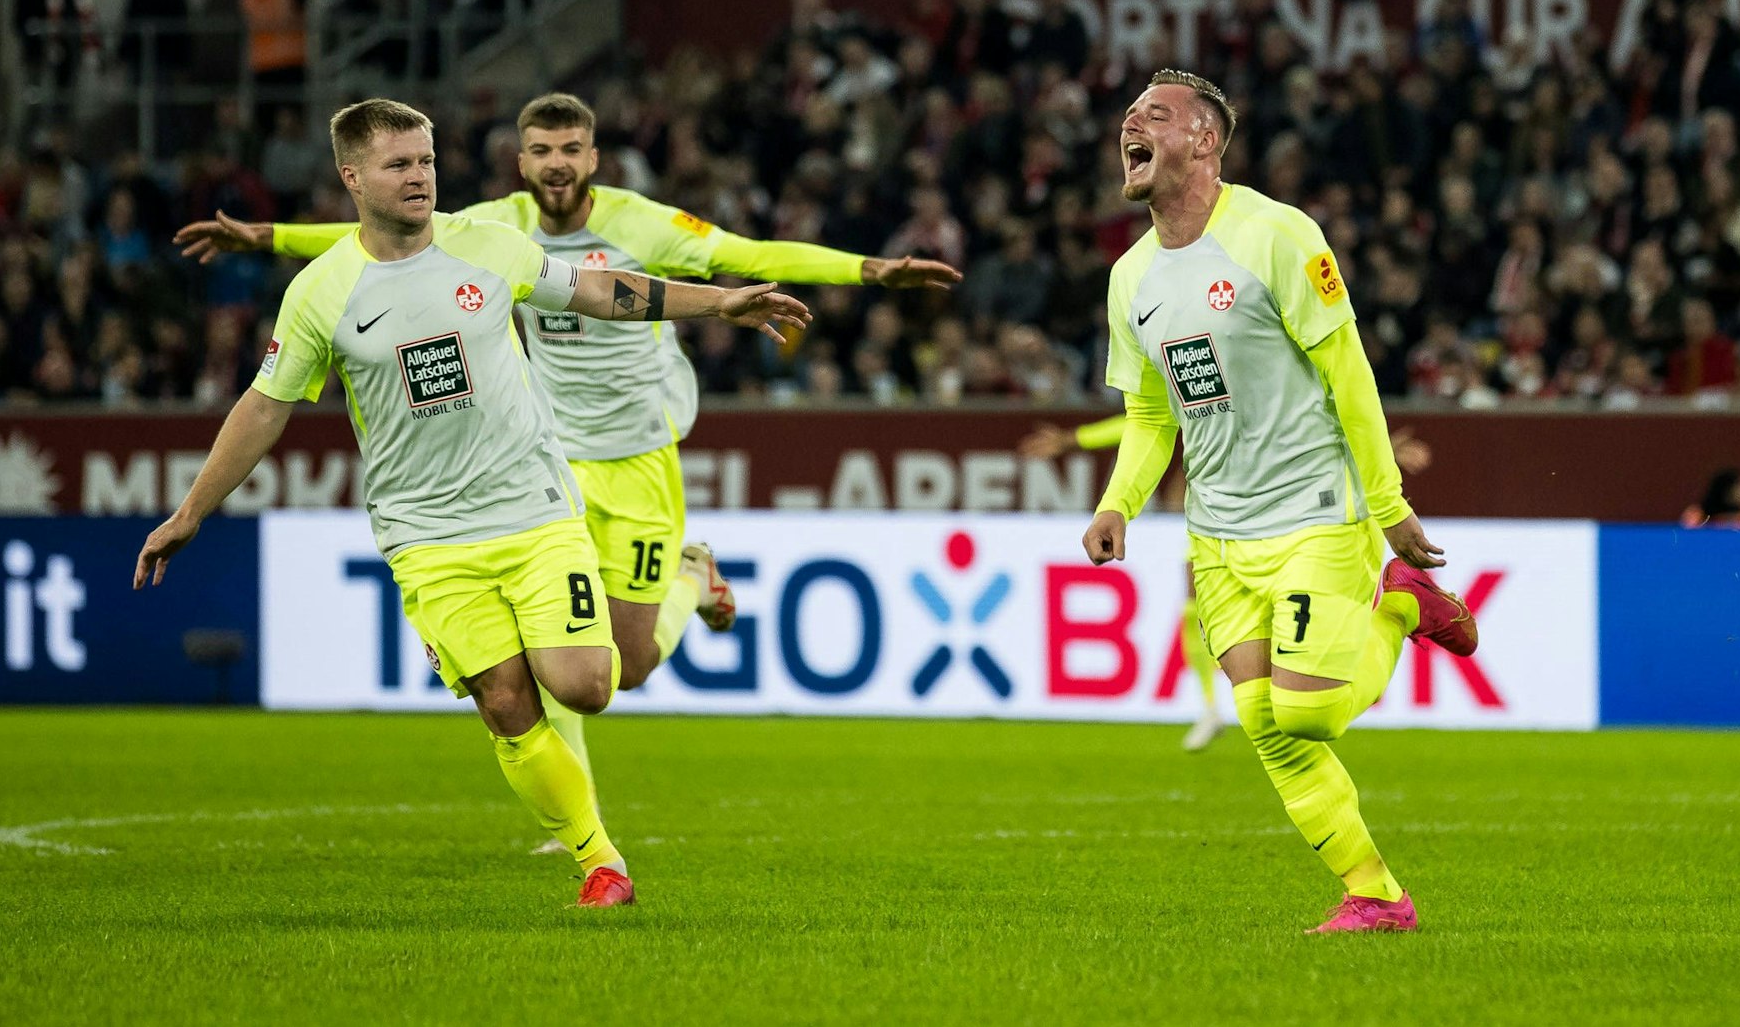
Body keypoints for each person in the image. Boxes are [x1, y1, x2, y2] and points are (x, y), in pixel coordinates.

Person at [174, 92, 958, 850]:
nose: (556, 164)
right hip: (549, 461)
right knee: (561, 666)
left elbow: (749, 256)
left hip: (641, 456)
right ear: (521, 161)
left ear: (594, 157)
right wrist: (269, 236)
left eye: (570, 150)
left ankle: (694, 575)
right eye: (541, 151)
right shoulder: (491, 226)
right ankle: (580, 824)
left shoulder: (640, 224)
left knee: (629, 664)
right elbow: (374, 241)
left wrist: (866, 270)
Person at [1080, 70, 1476, 935]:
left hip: (1313, 508)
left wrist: (1388, 504)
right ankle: (1376, 894)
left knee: (1308, 708)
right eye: (1129, 115)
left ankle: (1400, 608)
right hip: (1217, 534)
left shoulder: (1276, 235)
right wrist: (1118, 502)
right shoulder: (1130, 278)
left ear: (1205, 142)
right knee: (1268, 725)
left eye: (1157, 114)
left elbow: (1349, 372)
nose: (1131, 125)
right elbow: (1150, 412)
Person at [1023, 416, 1434, 753]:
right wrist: (1073, 439)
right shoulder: (1210, 360)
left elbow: (1329, 403)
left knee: (1302, 690)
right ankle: (1211, 708)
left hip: (1287, 512)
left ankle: (1384, 625)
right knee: (1197, 604)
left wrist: (1377, 452)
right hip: (1222, 511)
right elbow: (1150, 415)